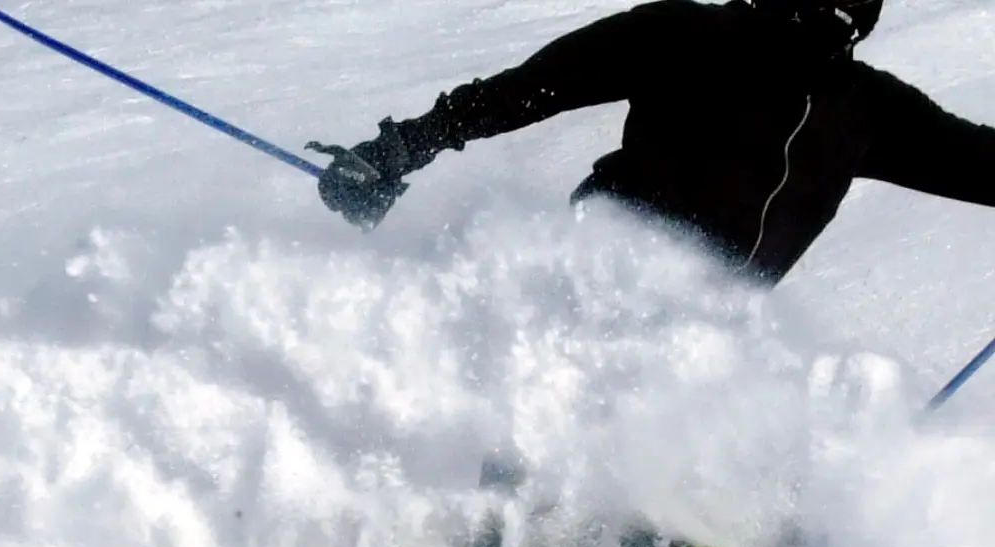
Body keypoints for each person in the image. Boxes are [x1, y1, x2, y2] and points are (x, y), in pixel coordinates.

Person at [307, 0, 995, 287]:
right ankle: (507, 538)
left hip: (708, 341)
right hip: (596, 277)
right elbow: (529, 90)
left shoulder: (865, 111)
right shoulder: (684, 37)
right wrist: (399, 149)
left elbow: (982, 165)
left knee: (711, 414)